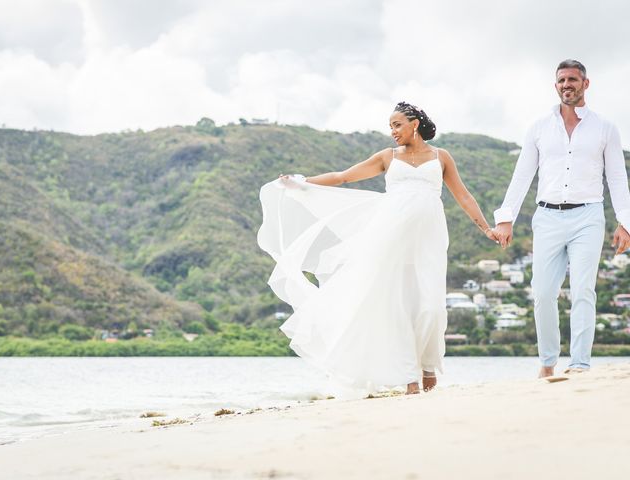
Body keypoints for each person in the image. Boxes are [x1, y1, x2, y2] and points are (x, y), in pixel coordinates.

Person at [258, 102, 498, 395]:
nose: (393, 132)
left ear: (415, 124)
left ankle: (428, 365)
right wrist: (302, 182)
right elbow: (343, 177)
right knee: (396, 305)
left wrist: (486, 228)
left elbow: (463, 195)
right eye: (390, 126)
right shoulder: (387, 157)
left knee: (431, 307)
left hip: (430, 240)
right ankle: (410, 377)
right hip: (389, 239)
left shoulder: (441, 157)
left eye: (397, 125)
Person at [492, 59, 630, 378]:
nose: (567, 84)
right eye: (561, 80)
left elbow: (618, 179)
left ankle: (580, 363)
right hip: (547, 216)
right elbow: (522, 174)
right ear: (556, 85)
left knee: (583, 290)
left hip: (589, 216)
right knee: (542, 292)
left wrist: (625, 223)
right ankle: (547, 363)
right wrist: (505, 217)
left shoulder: (605, 128)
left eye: (573, 79)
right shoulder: (538, 127)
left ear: (585, 83)